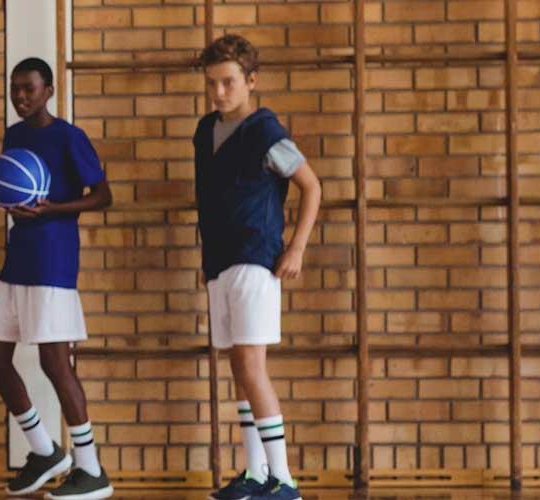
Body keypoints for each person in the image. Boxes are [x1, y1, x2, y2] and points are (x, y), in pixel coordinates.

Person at [0, 57, 116, 500]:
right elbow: (6, 185)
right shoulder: (14, 136)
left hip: (53, 262)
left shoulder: (69, 137)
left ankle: (91, 468)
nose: (21, 96)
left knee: (54, 363)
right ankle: (43, 451)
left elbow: (103, 196)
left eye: (29, 89)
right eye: (15, 89)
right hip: (17, 259)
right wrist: (0, 197)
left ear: (49, 91)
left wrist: (52, 208)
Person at [194, 34, 321, 500]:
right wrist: (207, 261)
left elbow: (312, 187)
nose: (219, 92)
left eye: (228, 82)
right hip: (220, 263)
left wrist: (296, 248)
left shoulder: (267, 132)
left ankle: (284, 479)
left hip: (255, 259)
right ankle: (255, 472)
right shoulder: (205, 131)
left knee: (252, 365)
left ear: (251, 81)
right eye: (212, 83)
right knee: (238, 369)